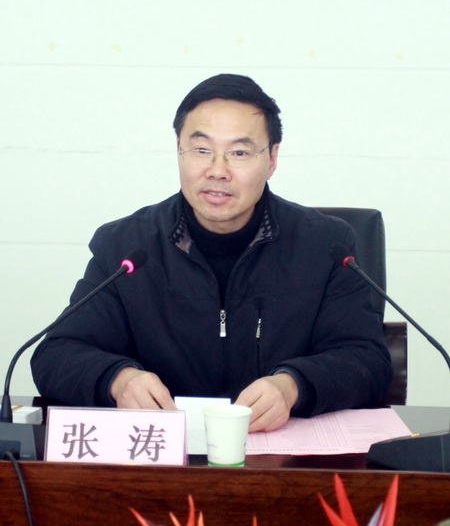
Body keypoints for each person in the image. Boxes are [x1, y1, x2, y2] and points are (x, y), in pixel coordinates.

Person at [31, 74, 392, 432]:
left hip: (280, 455)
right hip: (164, 455)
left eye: (239, 153)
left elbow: (367, 361)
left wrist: (293, 385)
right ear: (179, 150)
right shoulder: (126, 246)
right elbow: (56, 354)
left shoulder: (325, 245)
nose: (217, 171)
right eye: (201, 150)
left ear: (272, 159)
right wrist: (118, 380)